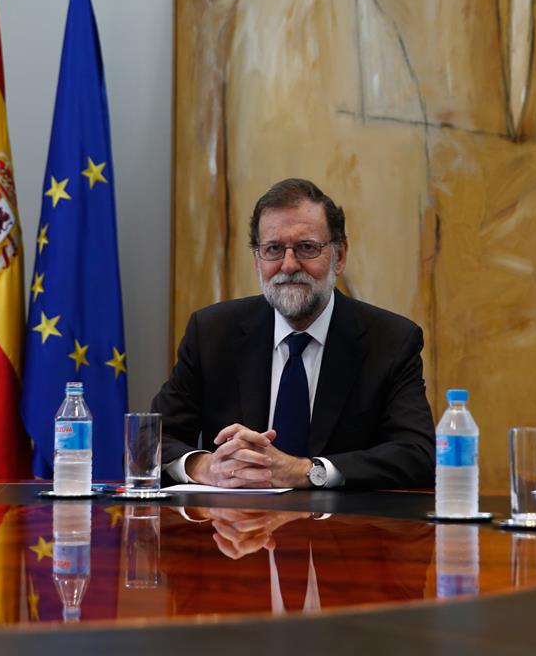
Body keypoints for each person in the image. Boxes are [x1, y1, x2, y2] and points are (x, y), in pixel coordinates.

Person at [152, 178, 434, 489]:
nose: (288, 265)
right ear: (258, 259)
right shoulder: (212, 332)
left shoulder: (391, 340)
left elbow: (417, 453)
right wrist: (206, 467)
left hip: (343, 532)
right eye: (273, 249)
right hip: (236, 531)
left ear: (339, 256)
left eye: (307, 248)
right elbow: (151, 435)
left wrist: (305, 471)